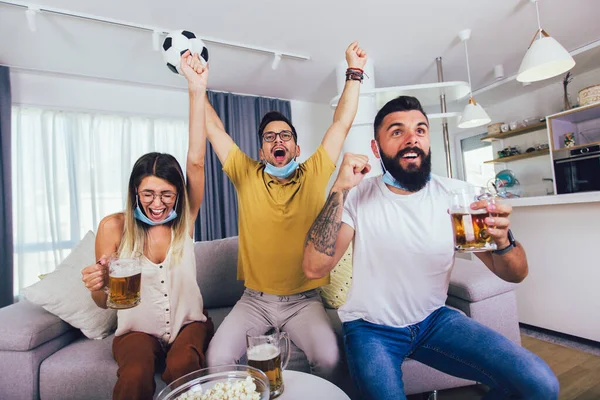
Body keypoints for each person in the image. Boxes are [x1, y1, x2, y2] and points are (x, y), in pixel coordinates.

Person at [302, 96, 559, 399]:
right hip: (370, 329)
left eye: (420, 130)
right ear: (376, 148)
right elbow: (314, 267)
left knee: (541, 383)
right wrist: (338, 189)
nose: (412, 139)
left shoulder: (458, 196)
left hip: (435, 320)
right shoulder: (358, 196)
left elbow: (515, 274)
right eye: (397, 132)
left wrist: (503, 241)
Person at [204, 42, 367, 383]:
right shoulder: (245, 173)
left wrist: (354, 71)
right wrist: (197, 86)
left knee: (330, 356)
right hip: (255, 300)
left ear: (296, 147)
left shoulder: (315, 171)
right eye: (269, 137)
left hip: (304, 300)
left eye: (285, 135)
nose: (278, 139)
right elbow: (216, 130)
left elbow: (341, 124)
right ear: (262, 151)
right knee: (217, 357)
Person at [81, 51, 214, 400]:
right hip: (136, 332)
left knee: (183, 365)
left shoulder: (185, 221)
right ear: (135, 192)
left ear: (179, 194)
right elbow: (102, 302)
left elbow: (196, 162)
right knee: (136, 375)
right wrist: (98, 284)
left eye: (167, 194)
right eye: (148, 194)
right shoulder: (114, 227)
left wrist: (196, 89)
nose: (157, 204)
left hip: (188, 326)